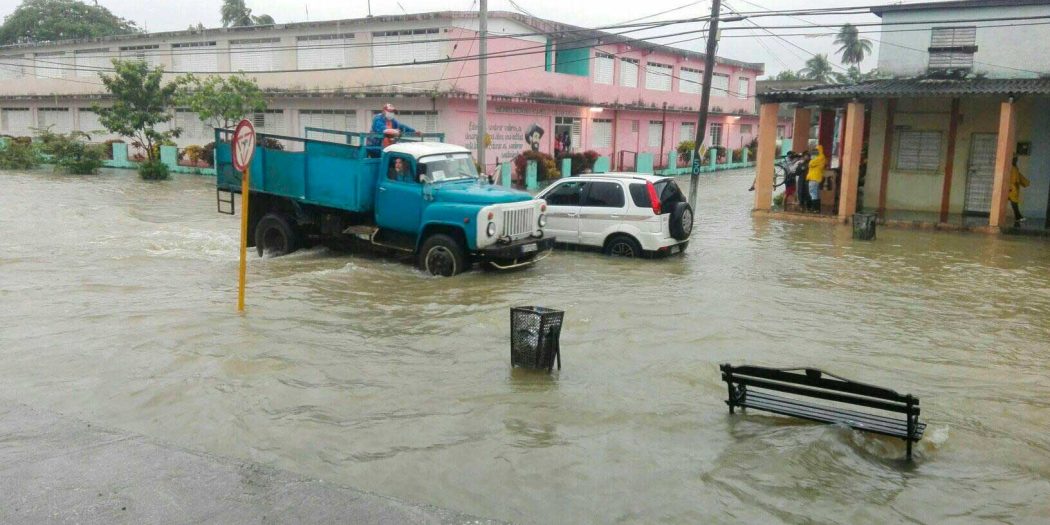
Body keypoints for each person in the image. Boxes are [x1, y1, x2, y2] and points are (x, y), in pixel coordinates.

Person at [1009, 156, 1030, 227]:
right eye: (1015, 159)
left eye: (1016, 160)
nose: (1016, 161)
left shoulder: (1014, 168)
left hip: (1013, 187)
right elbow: (1015, 178)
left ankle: (1018, 216)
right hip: (1012, 188)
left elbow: (1019, 176)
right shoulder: (1012, 168)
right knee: (1014, 202)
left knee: (1014, 202)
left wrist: (1025, 182)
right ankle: (1018, 216)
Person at [806, 145, 827, 213]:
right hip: (816, 178)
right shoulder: (821, 157)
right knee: (816, 193)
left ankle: (815, 209)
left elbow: (810, 163)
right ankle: (817, 209)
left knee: (813, 193)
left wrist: (811, 159)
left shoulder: (819, 157)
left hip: (814, 178)